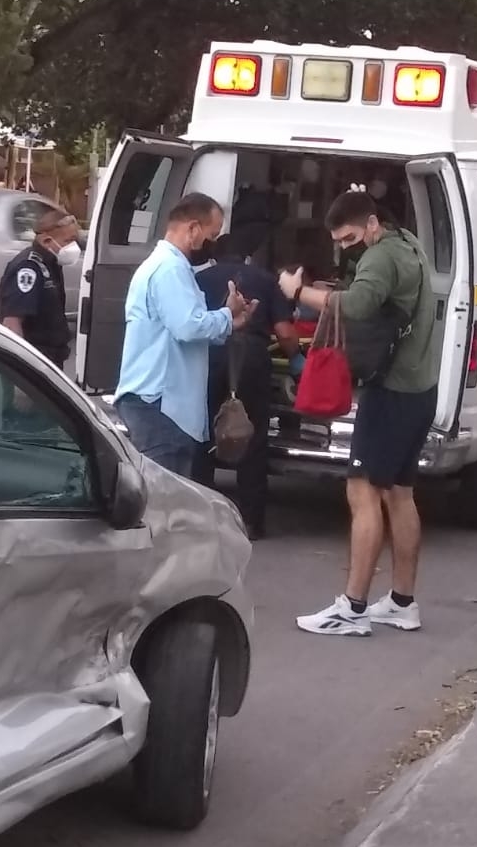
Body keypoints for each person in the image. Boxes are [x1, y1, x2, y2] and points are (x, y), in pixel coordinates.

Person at [278, 190, 438, 636]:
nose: (347, 248)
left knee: (362, 492)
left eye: (350, 238)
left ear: (371, 223)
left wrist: (299, 292)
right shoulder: (408, 243)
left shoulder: (382, 257)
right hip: (419, 388)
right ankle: (402, 602)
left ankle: (352, 608)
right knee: (400, 493)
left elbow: (361, 304)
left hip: (390, 392)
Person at [114, 193, 257, 476]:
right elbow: (188, 327)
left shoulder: (172, 267)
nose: (212, 243)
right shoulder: (169, 269)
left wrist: (229, 321)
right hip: (160, 403)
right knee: (163, 499)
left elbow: (190, 326)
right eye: (211, 234)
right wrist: (227, 316)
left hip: (163, 404)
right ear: (192, 228)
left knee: (168, 498)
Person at [194, 232, 304, 537]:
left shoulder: (200, 278)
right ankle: (251, 521)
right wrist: (297, 360)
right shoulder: (265, 279)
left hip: (208, 358)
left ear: (214, 256)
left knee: (204, 436)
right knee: (252, 439)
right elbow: (284, 331)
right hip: (251, 360)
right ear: (247, 257)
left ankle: (203, 518)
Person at [0, 209, 80, 367]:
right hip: (35, 361)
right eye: (68, 240)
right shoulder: (28, 267)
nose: (73, 246)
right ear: (46, 241)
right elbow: (12, 322)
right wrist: (23, 365)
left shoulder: (50, 263)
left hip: (50, 359)